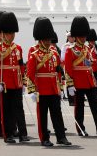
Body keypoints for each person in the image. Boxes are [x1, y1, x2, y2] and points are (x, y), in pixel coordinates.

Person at [26, 17, 70, 147]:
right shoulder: (34, 53)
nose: (47, 41)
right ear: (40, 38)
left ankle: (61, 136)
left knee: (57, 113)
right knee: (43, 115)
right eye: (45, 39)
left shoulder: (54, 52)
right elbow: (30, 73)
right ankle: (44, 138)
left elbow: (57, 73)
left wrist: (60, 87)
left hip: (53, 87)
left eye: (49, 39)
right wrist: (32, 90)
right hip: (41, 88)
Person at [64, 16, 97, 137]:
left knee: (95, 105)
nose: (84, 38)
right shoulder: (70, 50)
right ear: (77, 36)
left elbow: (89, 63)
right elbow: (68, 69)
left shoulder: (87, 49)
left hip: (89, 80)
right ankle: (80, 129)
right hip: (78, 82)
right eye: (81, 36)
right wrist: (70, 84)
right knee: (80, 108)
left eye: (84, 36)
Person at [0, 11, 28, 144]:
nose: (11, 36)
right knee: (6, 110)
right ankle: (8, 134)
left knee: (19, 109)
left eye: (12, 33)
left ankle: (23, 133)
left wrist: (23, 81)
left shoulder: (18, 48)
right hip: (4, 84)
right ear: (3, 33)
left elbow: (21, 66)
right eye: (9, 33)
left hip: (16, 83)